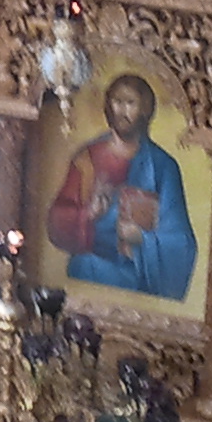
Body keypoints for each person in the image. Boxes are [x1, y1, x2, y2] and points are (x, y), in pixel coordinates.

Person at [45, 72, 195, 300]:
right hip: (89, 270)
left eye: (130, 103)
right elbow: (57, 222)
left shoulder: (163, 166)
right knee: (83, 265)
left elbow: (181, 242)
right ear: (108, 106)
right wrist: (88, 214)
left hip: (138, 279)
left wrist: (142, 239)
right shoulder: (87, 158)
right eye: (117, 101)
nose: (122, 111)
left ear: (145, 110)